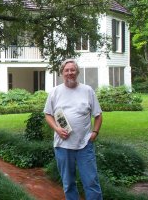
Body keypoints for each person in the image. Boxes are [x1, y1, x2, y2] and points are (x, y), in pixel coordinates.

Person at [43, 58, 103, 200]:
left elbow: (98, 115)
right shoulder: (55, 92)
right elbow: (48, 114)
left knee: (91, 181)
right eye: (66, 70)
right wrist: (57, 129)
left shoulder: (87, 90)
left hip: (84, 145)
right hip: (62, 146)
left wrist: (94, 132)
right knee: (68, 183)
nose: (70, 73)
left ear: (77, 72)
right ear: (62, 73)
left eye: (72, 70)